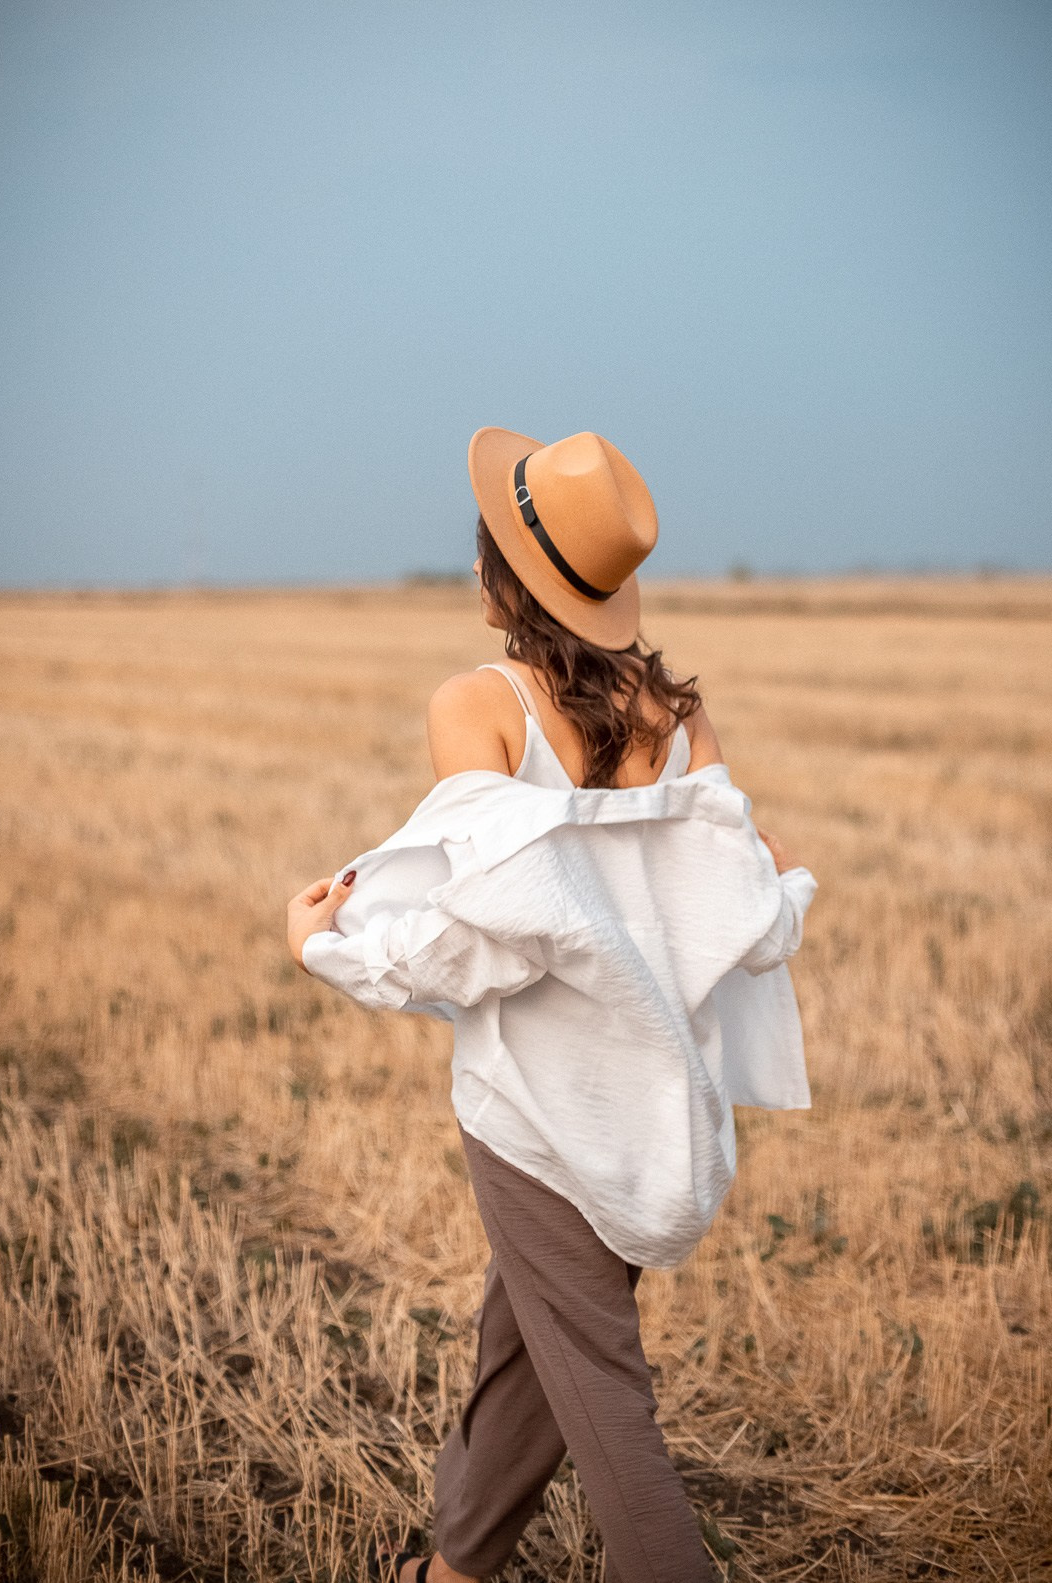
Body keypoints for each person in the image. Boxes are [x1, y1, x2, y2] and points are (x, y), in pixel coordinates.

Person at [287, 428, 819, 1583]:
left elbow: (497, 928)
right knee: (527, 1343)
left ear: (505, 578)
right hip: (656, 1106)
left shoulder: (479, 703)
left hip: (539, 1109)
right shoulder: (679, 718)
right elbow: (743, 921)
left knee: (604, 1395)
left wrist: (329, 947)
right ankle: (457, 1566)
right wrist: (783, 880)